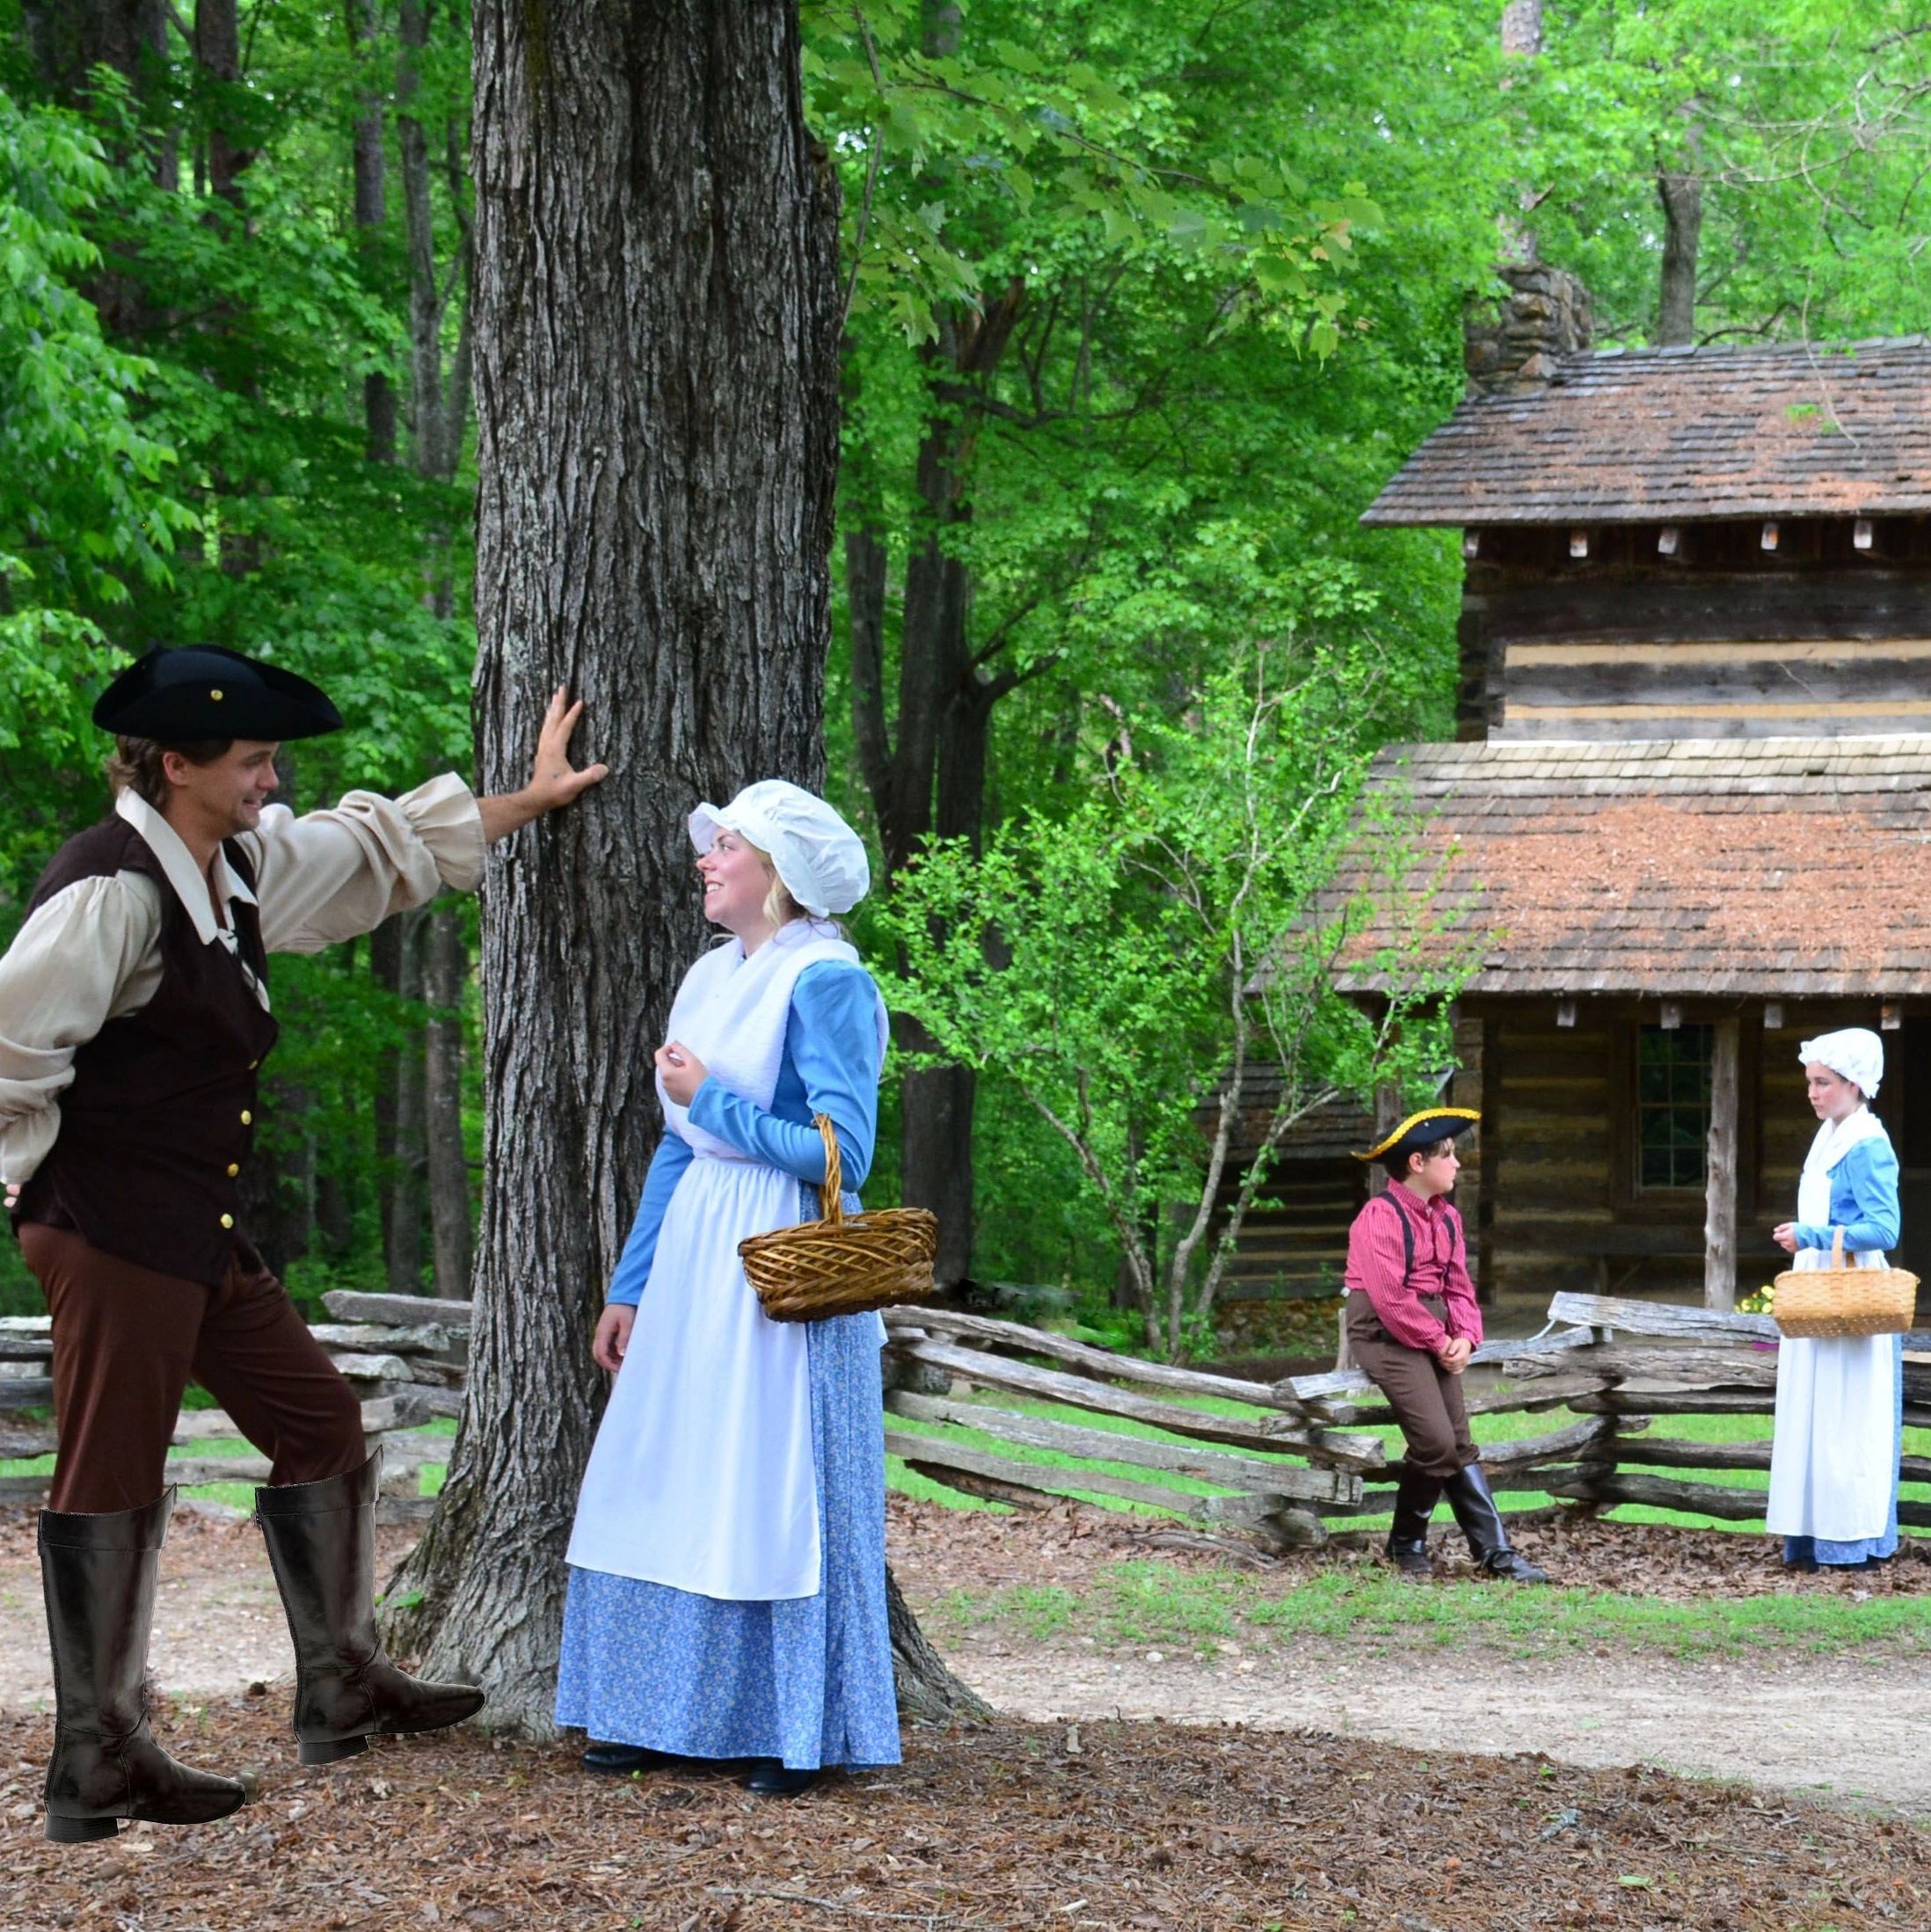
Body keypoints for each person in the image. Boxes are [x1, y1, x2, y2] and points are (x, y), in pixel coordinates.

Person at [0, 644, 606, 1842]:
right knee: (108, 1480)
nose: (273, 780)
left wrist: (526, 803)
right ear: (175, 765)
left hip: (193, 1235)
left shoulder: (225, 874)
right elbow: (10, 1049)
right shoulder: (112, 890)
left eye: (273, 758)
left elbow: (371, 854)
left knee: (320, 1420)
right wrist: (42, 1195)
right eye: (253, 761)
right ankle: (97, 1757)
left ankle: (341, 1681)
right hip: (114, 1238)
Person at [557, 779, 900, 1799]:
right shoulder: (708, 977)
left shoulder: (827, 981)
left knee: (764, 1485)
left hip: (779, 1260)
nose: (706, 858)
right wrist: (632, 1282)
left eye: (728, 847)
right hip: (695, 1255)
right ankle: (650, 1707)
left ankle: (784, 1724)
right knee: (669, 1470)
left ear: (780, 874)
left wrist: (717, 1100)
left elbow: (843, 1152)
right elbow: (676, 1146)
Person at [1345, 1109, 1547, 1584]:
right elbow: (1392, 1300)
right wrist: (1439, 1341)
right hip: (1383, 1330)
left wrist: (1465, 1337)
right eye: (1449, 1155)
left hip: (1430, 1328)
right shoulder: (1380, 1216)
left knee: (1458, 1443)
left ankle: (1496, 1554)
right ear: (1417, 1162)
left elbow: (1458, 1288)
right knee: (1436, 1444)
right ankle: (1405, 1543)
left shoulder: (1448, 1218)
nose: (1458, 1164)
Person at [1767, 1028, 1904, 1571]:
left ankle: (1853, 1540)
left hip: (1851, 1291)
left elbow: (1884, 1228)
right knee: (1813, 1414)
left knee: (1848, 1419)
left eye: (1823, 1083)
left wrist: (1814, 1237)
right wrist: (1806, 1241)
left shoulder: (1868, 1143)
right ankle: (1810, 1535)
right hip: (1816, 1286)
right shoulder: (1830, 1137)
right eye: (1810, 1082)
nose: (1813, 1093)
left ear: (1854, 1083)